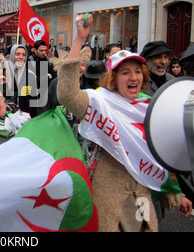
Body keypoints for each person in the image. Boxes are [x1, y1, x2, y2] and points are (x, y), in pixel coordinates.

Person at [55, 13, 190, 231]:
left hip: (143, 201)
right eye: (125, 72)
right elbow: (67, 95)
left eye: (138, 71)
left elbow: (160, 155)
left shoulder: (150, 107)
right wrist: (79, 39)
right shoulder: (99, 101)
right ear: (113, 78)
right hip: (109, 203)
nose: (133, 77)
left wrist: (176, 193)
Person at [28, 40, 56, 117]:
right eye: (41, 50)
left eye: (45, 50)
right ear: (34, 50)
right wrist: (45, 77)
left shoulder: (48, 61)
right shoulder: (30, 61)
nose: (44, 53)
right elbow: (32, 82)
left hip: (46, 96)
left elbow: (53, 77)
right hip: (34, 98)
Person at [9, 44, 38, 116]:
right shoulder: (5, 73)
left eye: (24, 55)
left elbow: (33, 101)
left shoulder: (30, 75)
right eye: (18, 54)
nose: (21, 57)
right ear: (12, 55)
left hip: (25, 116)